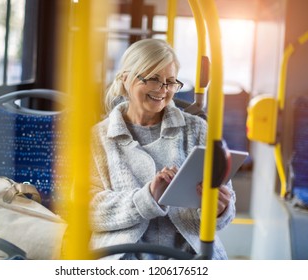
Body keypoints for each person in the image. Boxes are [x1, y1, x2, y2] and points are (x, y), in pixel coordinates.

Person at [89, 38, 235, 260]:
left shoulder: (197, 130)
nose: (162, 90)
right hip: (122, 256)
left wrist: (221, 209)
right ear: (125, 78)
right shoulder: (98, 137)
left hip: (189, 254)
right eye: (153, 79)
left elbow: (226, 203)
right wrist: (146, 199)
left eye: (170, 82)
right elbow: (88, 210)